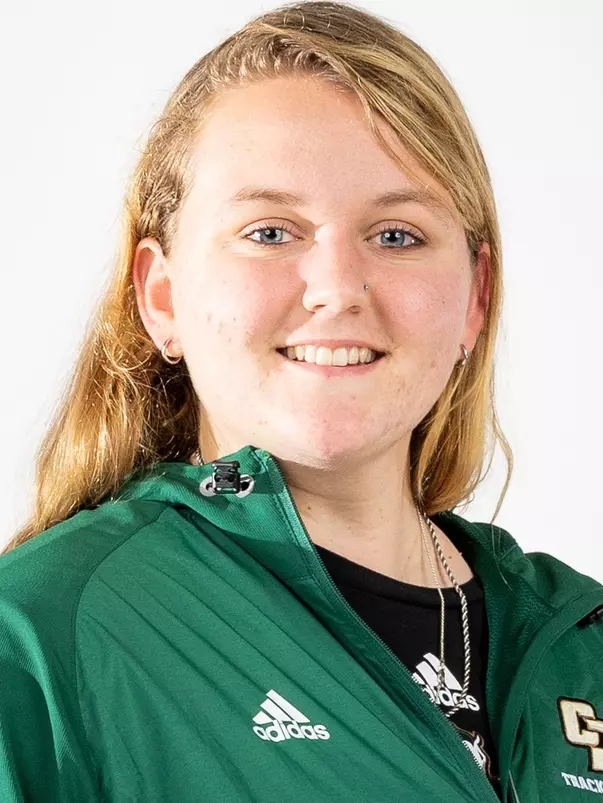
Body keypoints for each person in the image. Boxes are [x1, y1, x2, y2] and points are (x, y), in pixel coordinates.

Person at [1, 1, 602, 801]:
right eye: (270, 232)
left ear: (474, 299)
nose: (336, 289)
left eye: (395, 235)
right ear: (162, 296)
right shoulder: (39, 638)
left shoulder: (579, 641)